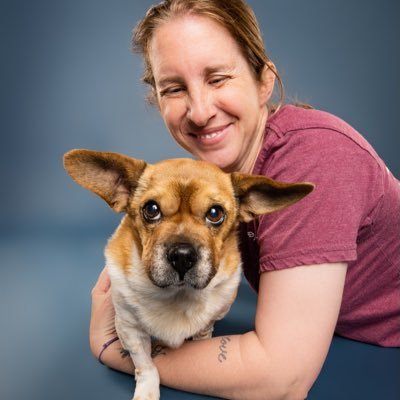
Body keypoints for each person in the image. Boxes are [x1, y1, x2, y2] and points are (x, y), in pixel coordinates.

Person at [89, 1, 400, 399]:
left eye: (218, 78)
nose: (199, 112)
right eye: (175, 88)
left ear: (264, 81)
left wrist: (118, 351)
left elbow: (281, 380)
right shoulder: (222, 182)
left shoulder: (316, 162)